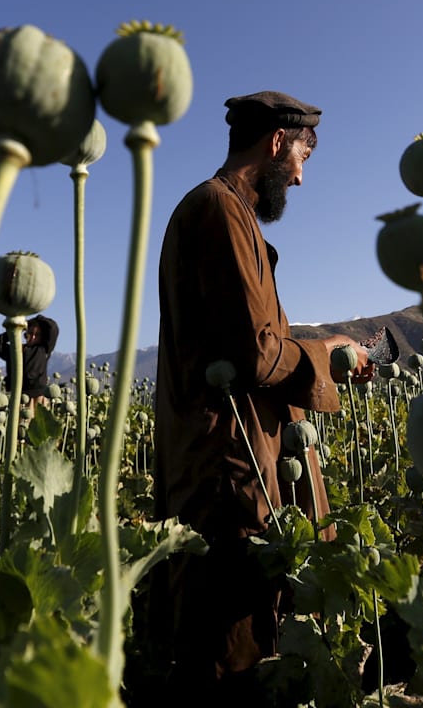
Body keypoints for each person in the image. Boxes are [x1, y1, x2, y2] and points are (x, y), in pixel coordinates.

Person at [146, 90, 373, 700]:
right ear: (276, 144)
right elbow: (254, 354)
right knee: (232, 650)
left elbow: (251, 339)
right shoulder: (219, 212)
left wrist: (327, 345)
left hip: (226, 458)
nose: (299, 177)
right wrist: (331, 355)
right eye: (302, 156)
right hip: (228, 469)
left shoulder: (223, 213)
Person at [0, 314, 59, 406]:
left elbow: (53, 328)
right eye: (29, 334)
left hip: (36, 395)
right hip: (15, 395)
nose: (33, 337)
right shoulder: (15, 350)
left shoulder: (44, 349)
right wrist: (16, 329)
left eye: (37, 335)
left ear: (42, 336)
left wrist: (33, 320)